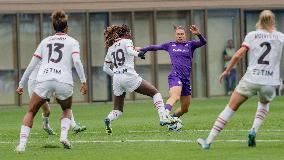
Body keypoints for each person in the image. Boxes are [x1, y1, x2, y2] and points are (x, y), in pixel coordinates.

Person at [197, 10, 284, 149]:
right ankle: (253, 130)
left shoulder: (252, 35)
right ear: (273, 21)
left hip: (251, 79)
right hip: (269, 81)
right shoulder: (280, 37)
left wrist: (227, 70)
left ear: (259, 21)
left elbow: (238, 55)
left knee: (230, 108)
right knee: (263, 104)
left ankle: (208, 141)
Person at [15, 10, 87, 153]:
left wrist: (21, 84)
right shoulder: (73, 42)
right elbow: (77, 62)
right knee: (66, 109)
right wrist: (83, 81)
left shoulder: (45, 41)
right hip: (64, 80)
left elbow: (31, 64)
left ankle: (22, 145)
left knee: (31, 111)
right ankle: (64, 137)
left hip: (44, 79)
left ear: (54, 27)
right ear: (66, 28)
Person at [103, 24, 178, 134]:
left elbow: (105, 68)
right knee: (155, 93)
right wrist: (139, 54)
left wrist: (116, 75)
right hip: (128, 76)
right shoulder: (126, 41)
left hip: (117, 79)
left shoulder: (110, 48)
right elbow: (130, 51)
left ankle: (108, 119)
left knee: (117, 109)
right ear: (127, 33)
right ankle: (163, 118)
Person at [139, 25, 206, 120]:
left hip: (186, 79)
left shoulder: (190, 45)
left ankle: (172, 118)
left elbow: (203, 42)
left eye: (182, 34)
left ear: (185, 35)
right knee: (175, 96)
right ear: (175, 35)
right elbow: (155, 47)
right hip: (175, 76)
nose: (180, 36)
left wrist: (198, 34)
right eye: (178, 34)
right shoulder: (170, 45)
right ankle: (164, 114)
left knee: (185, 108)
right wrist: (143, 49)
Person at [17, 54, 87, 135]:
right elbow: (29, 68)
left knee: (63, 100)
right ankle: (44, 127)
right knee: (45, 111)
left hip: (46, 83)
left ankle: (73, 125)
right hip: (35, 85)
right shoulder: (41, 53)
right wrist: (21, 85)